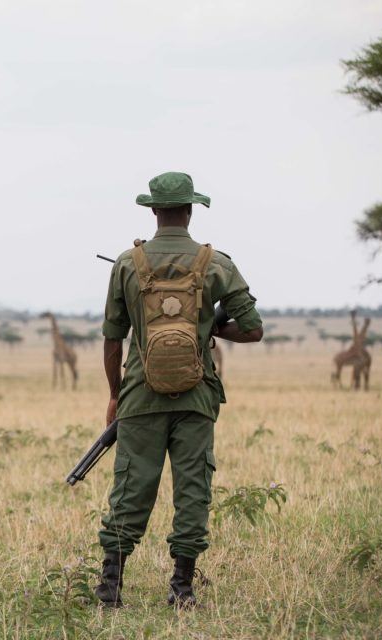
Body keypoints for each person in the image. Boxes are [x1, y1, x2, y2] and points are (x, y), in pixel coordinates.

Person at [95, 172, 263, 608]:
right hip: (197, 398)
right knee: (193, 489)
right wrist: (209, 327)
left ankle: (109, 588)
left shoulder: (127, 264)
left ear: (153, 211)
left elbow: (113, 340)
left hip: (139, 396)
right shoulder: (218, 264)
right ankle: (182, 588)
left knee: (131, 487)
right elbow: (253, 329)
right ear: (191, 210)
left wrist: (115, 395)